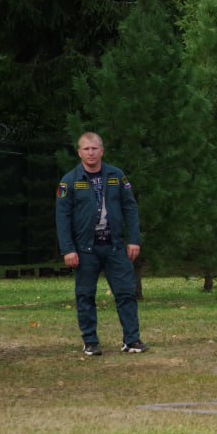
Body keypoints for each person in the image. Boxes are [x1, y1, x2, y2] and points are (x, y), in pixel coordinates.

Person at [55, 131, 145, 356]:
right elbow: (62, 217)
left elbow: (130, 208)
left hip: (115, 246)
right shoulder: (70, 181)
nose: (91, 152)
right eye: (86, 149)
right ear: (79, 152)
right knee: (85, 295)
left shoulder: (116, 176)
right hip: (85, 249)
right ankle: (90, 342)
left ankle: (131, 340)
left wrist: (134, 239)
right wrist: (68, 249)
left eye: (95, 148)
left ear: (102, 151)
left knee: (126, 292)